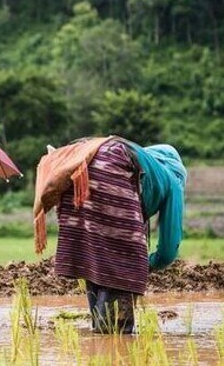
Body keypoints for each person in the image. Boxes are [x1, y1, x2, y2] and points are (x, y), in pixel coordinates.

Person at [33, 136, 187, 334]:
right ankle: (112, 338)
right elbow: (168, 249)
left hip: (76, 163)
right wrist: (144, 264)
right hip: (109, 164)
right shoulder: (172, 177)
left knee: (96, 260)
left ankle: (101, 339)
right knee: (123, 267)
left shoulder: (145, 165)